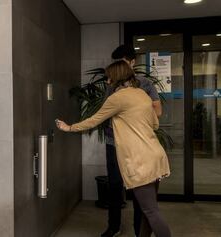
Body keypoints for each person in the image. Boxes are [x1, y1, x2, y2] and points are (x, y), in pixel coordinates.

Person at [56, 60, 171, 237]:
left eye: (109, 76)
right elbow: (155, 124)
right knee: (148, 211)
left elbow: (95, 119)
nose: (107, 80)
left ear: (115, 77)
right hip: (155, 155)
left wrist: (69, 127)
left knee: (151, 212)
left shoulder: (118, 98)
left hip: (140, 160)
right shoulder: (142, 94)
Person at [103, 45, 163, 237]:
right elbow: (106, 112)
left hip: (136, 146)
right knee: (114, 186)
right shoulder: (111, 85)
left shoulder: (144, 84)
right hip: (113, 143)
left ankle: (140, 231)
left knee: (140, 189)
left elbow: (158, 112)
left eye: (122, 62)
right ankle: (113, 227)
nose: (119, 67)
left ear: (132, 62)